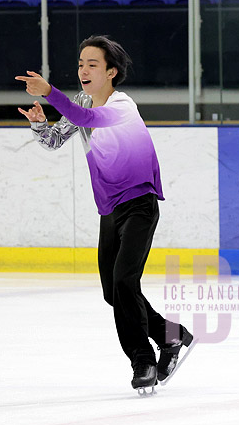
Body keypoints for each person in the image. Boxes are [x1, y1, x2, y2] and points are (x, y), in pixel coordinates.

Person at [16, 35, 195, 395]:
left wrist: (50, 91)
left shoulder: (122, 105)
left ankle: (142, 361)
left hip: (140, 203)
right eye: (81, 63)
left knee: (125, 281)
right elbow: (55, 140)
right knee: (114, 292)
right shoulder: (80, 101)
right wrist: (39, 123)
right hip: (110, 210)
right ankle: (172, 336)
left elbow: (86, 116)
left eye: (92, 64)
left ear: (111, 72)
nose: (83, 69)